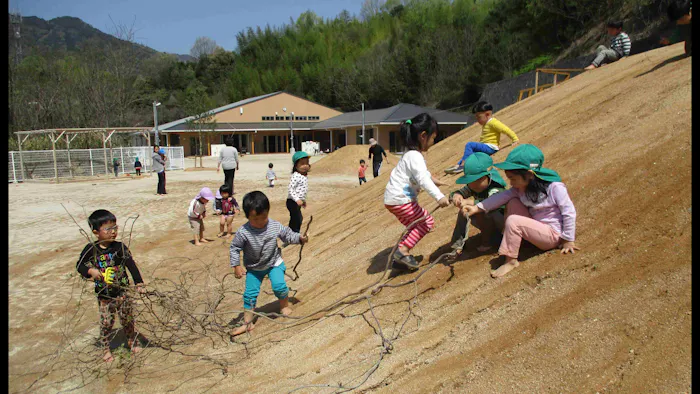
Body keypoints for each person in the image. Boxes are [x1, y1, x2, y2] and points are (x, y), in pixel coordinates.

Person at [463, 144, 579, 278]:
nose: (510, 182)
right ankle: (516, 241)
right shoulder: (520, 189)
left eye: (513, 178)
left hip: (552, 236)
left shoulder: (554, 188)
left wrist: (568, 239)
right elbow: (500, 198)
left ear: (529, 175)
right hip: (537, 229)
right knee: (512, 202)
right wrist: (477, 208)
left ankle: (511, 261)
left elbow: (568, 211)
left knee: (514, 220)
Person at [229, 191, 309, 337]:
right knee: (249, 295)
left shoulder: (274, 225)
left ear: (268, 212)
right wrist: (236, 265)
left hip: (274, 263)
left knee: (279, 286)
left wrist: (300, 238)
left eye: (264, 217)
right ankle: (248, 322)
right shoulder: (243, 232)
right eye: (255, 219)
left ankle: (284, 305)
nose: (260, 221)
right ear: (248, 216)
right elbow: (234, 248)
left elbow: (287, 235)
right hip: (254, 268)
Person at [75, 209, 146, 363]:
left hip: (123, 291)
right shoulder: (90, 249)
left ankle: (131, 341)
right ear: (96, 232)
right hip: (104, 294)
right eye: (108, 229)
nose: (113, 232)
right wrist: (90, 271)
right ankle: (106, 348)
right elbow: (79, 266)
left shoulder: (119, 247)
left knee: (127, 318)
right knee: (107, 322)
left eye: (115, 227)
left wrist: (139, 282)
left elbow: (131, 265)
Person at [384, 113, 450, 270]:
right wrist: (439, 197)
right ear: (423, 136)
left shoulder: (410, 155)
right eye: (433, 138)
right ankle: (403, 251)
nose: (433, 142)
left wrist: (436, 180)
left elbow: (424, 175)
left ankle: (401, 257)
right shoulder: (415, 156)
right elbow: (422, 179)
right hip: (402, 200)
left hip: (392, 200)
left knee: (414, 226)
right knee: (427, 222)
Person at [449, 152, 507, 254]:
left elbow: (495, 201)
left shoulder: (495, 187)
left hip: (502, 224)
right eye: (470, 180)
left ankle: (489, 241)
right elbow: (460, 192)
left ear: (489, 176)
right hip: (488, 223)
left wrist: (471, 202)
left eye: (479, 179)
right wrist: (456, 196)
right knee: (464, 211)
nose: (474, 184)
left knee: (485, 212)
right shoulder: (473, 186)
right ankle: (457, 244)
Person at [446, 101, 519, 174]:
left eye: (479, 117)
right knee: (471, 153)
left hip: (491, 147)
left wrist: (515, 139)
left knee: (470, 144)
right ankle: (458, 165)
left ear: (487, 114)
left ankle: (463, 165)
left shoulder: (493, 122)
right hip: (486, 147)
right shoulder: (486, 123)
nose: (477, 120)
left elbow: (505, 129)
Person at [286, 151, 310, 234]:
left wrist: (303, 201)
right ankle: (292, 234)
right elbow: (291, 189)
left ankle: (294, 233)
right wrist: (297, 200)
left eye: (307, 163)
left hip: (297, 202)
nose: (305, 166)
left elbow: (301, 190)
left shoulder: (303, 175)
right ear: (296, 166)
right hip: (292, 202)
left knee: (298, 218)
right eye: (302, 163)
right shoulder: (295, 175)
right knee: (296, 218)